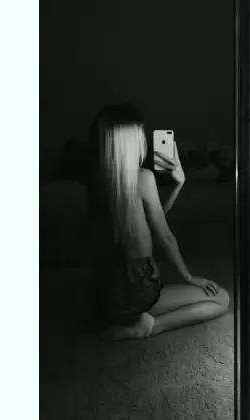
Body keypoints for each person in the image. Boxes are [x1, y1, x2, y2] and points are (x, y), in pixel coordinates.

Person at [86, 103, 230, 340]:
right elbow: (165, 236)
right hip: (136, 291)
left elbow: (149, 221)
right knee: (221, 299)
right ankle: (151, 326)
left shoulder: (96, 183)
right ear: (131, 143)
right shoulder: (143, 178)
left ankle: (130, 319)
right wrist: (188, 277)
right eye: (141, 134)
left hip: (104, 295)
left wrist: (177, 186)